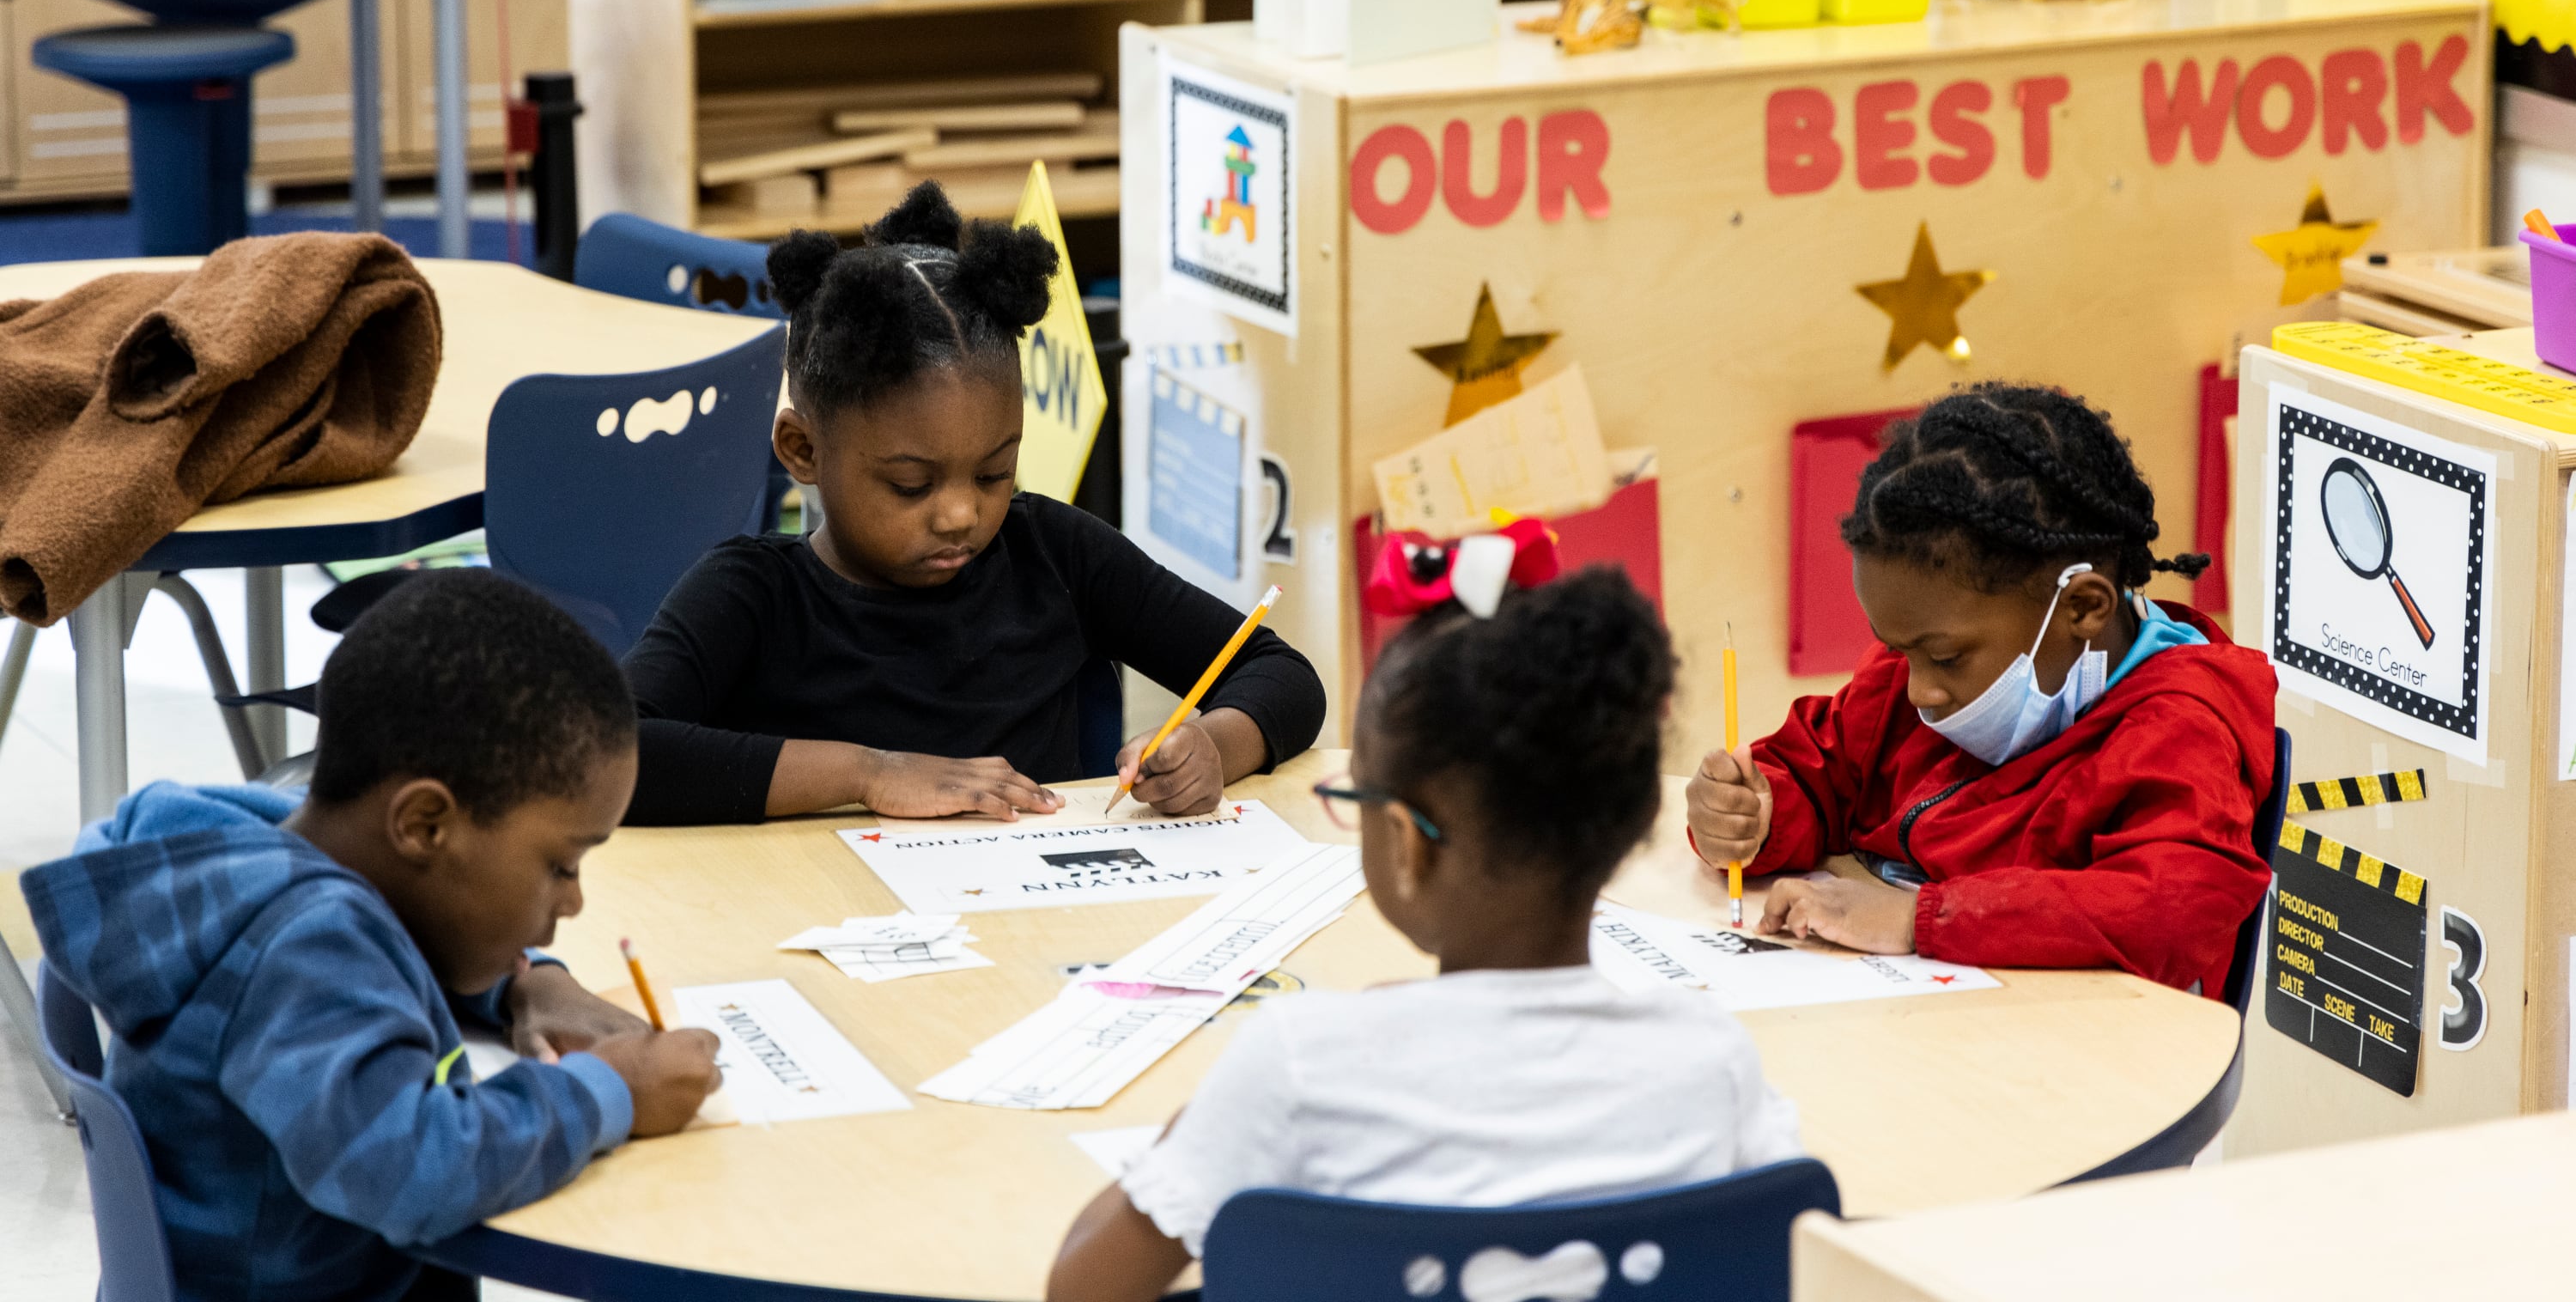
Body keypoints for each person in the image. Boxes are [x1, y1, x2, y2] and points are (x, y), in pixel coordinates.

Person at [1047, 569, 1801, 1302]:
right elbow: (1799, 1249)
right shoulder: (1711, 1060)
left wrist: (1199, 1133)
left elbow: (1082, 1289)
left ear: (1405, 843)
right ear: (1636, 823)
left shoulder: (1300, 1065)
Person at [20, 571, 722, 1302]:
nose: (573, 901)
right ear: (424, 824)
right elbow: (412, 1169)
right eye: (561, 863)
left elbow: (396, 930)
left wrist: (524, 981)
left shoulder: (266, 849)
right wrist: (611, 1089)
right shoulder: (304, 946)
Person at [622, 180, 1326, 827]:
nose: (962, 514)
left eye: (995, 473)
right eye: (911, 484)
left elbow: (1282, 674)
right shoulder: (752, 596)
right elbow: (616, 752)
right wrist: (869, 773)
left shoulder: (1058, 555)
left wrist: (1213, 743)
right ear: (803, 450)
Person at [1686, 384, 2275, 995]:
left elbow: (2167, 913)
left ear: (2082, 607)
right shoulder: (1914, 681)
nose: (1918, 689)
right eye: (1898, 648)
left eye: (1943, 655)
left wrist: (1921, 921)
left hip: (2073, 1063)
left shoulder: (2180, 732)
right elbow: (1821, 769)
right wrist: (1756, 816)